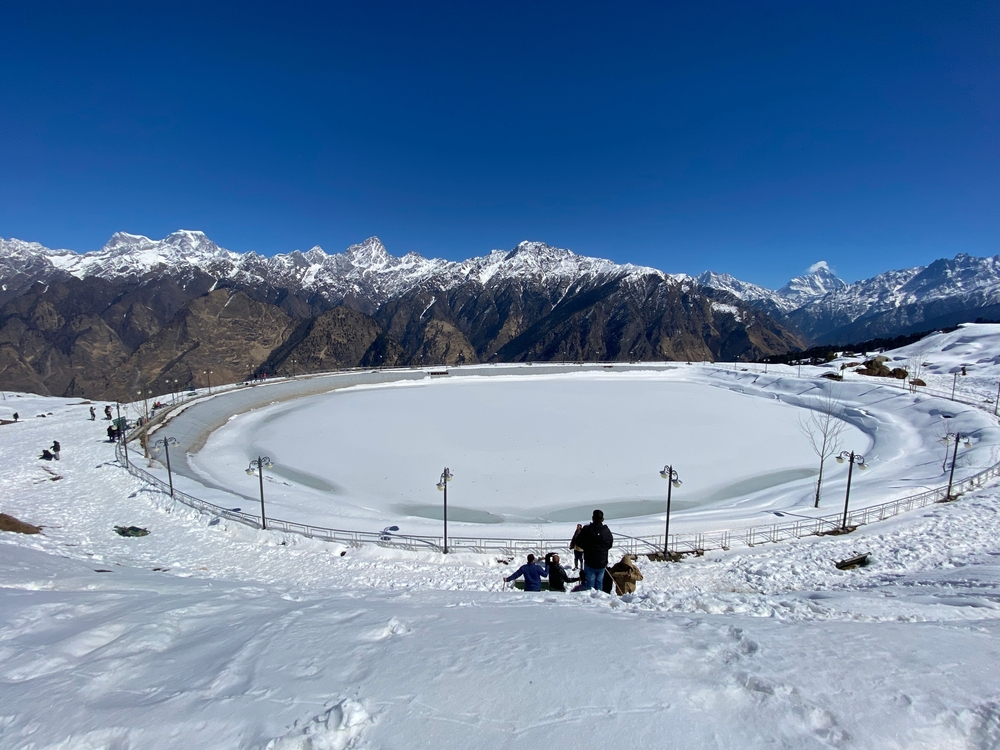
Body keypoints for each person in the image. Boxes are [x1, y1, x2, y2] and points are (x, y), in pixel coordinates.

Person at [574, 509, 614, 591]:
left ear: (592, 518)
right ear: (602, 519)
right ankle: (599, 598)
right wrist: (602, 549)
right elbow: (610, 544)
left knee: (590, 583)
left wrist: (587, 548)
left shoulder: (587, 530)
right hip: (602, 562)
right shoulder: (606, 531)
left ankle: (591, 600)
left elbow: (578, 541)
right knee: (599, 582)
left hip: (590, 561)